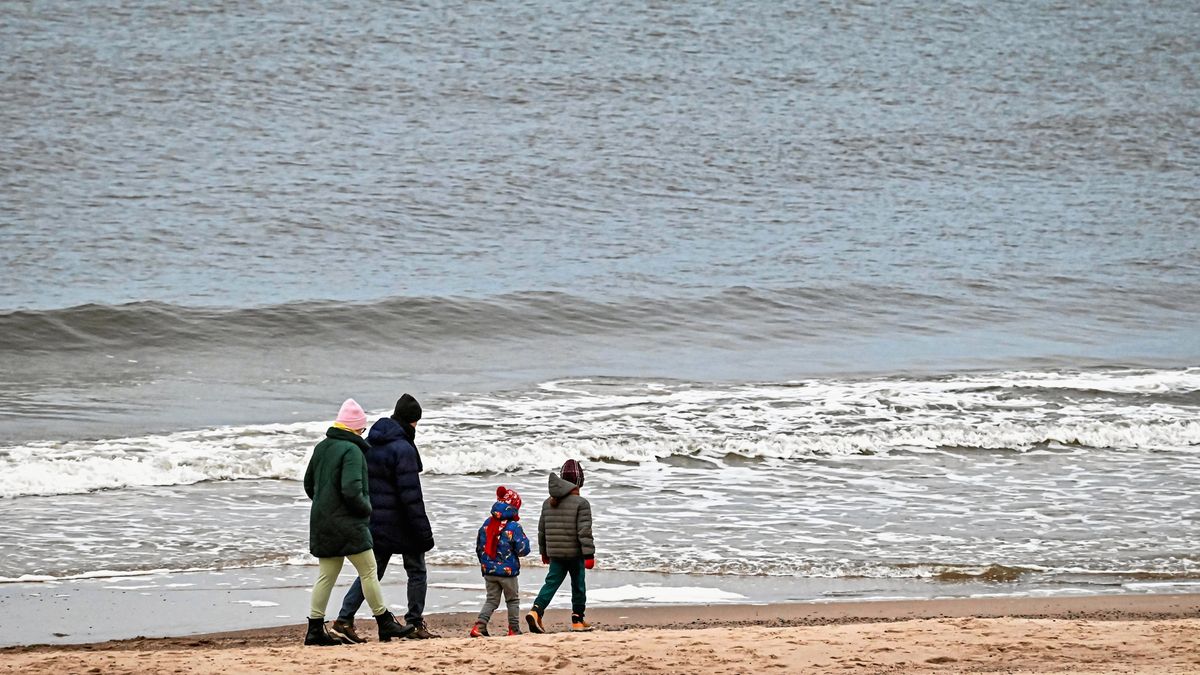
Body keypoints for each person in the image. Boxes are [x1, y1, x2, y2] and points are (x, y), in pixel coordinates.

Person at [329, 393, 440, 642]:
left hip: (375, 520)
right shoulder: (403, 448)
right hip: (403, 522)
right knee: (417, 570)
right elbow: (411, 497)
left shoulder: (371, 442)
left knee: (371, 572)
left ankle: (344, 619)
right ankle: (414, 623)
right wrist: (424, 532)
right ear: (412, 421)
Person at [303, 398, 413, 646]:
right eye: (362, 429)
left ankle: (314, 629)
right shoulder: (352, 450)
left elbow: (309, 485)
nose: (363, 433)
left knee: (326, 575)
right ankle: (385, 622)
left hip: (322, 521)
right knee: (369, 570)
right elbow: (352, 490)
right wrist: (366, 509)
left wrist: (325, 505)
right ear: (355, 428)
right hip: (348, 524)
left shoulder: (322, 447)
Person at [526, 459, 595, 633]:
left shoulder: (547, 502)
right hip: (575, 553)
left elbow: (542, 530)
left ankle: (536, 611)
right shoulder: (582, 503)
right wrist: (589, 555)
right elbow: (584, 532)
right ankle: (577, 619)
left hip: (555, 553)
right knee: (578, 584)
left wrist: (544, 552)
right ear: (579, 482)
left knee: (551, 583)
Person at [470, 486, 531, 637]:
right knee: (512, 600)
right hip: (508, 572)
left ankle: (479, 626)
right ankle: (514, 629)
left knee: (491, 600)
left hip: (489, 570)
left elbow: (479, 547)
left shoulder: (487, 524)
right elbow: (523, 549)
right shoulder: (513, 527)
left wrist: (485, 564)